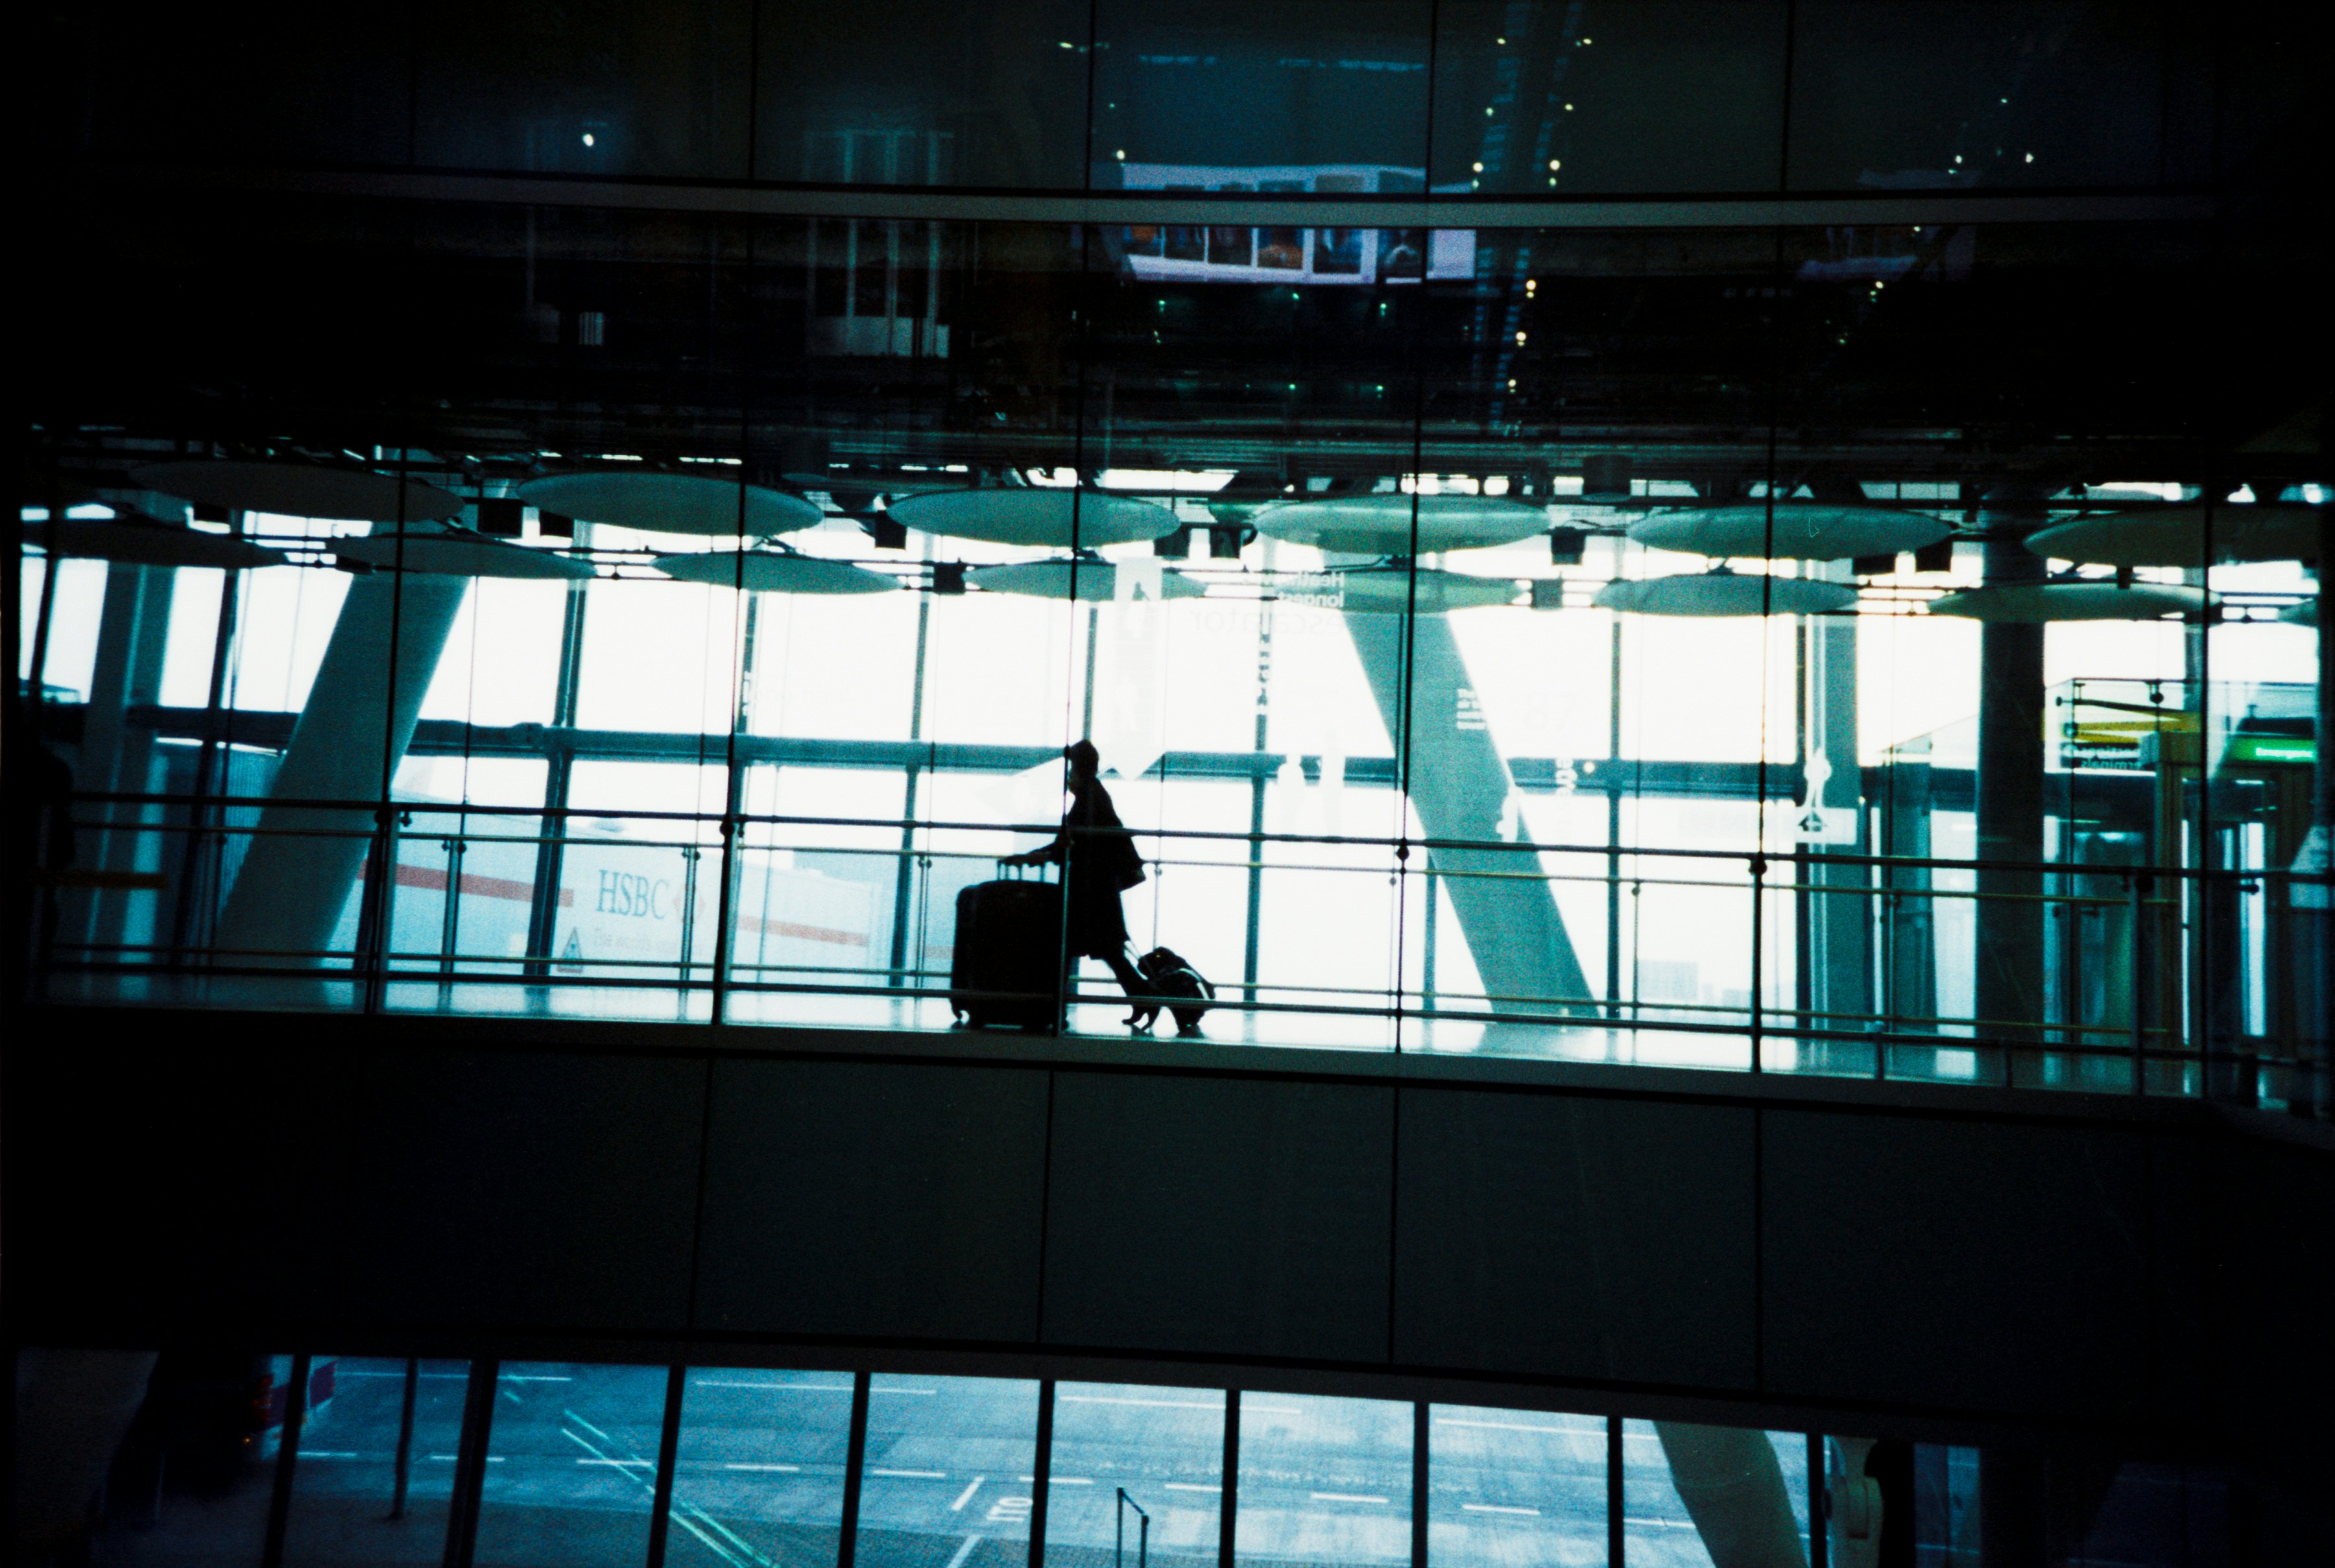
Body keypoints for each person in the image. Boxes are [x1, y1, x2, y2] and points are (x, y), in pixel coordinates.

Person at [1004, 740, 1151, 1028]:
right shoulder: (1094, 796)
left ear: (1080, 769)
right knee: (1107, 952)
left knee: (1066, 949)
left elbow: (1073, 843)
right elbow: (1073, 841)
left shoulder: (1090, 799)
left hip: (1090, 892)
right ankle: (1142, 997)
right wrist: (1041, 855)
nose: (1069, 776)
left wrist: (1040, 856)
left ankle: (1053, 1011)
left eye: (1071, 769)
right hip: (1097, 890)